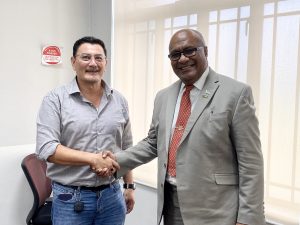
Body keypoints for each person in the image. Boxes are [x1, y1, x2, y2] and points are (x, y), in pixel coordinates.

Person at [103, 29, 266, 225]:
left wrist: (248, 218)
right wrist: (115, 161)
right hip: (171, 205)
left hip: (217, 210)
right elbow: (153, 143)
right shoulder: (164, 96)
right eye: (175, 54)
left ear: (205, 51)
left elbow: (251, 163)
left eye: (189, 51)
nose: (182, 59)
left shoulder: (236, 93)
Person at [36, 36, 135, 225]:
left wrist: (129, 186)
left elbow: (127, 147)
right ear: (73, 62)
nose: (93, 63)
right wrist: (92, 158)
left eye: (99, 58)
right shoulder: (55, 100)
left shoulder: (120, 101)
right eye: (85, 57)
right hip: (70, 199)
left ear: (106, 63)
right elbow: (46, 148)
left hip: (112, 197)